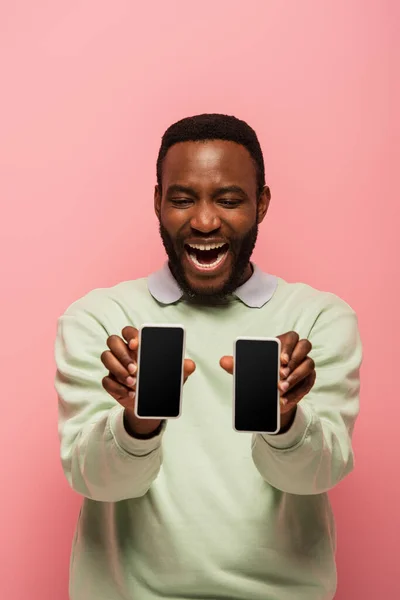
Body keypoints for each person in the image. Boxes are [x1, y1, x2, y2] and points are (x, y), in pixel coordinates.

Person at [54, 113, 362, 600]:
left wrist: (286, 423)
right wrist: (136, 425)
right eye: (181, 199)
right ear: (157, 202)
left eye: (229, 199)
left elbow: (315, 477)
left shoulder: (317, 318)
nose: (203, 220)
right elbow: (96, 482)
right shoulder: (102, 318)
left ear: (261, 204)